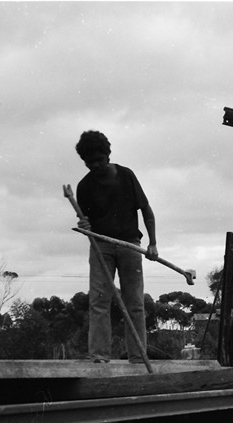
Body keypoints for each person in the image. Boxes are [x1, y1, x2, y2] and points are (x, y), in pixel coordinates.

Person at [74, 130, 158, 362]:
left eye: (99, 160)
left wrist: (153, 243)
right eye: (90, 162)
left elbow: (146, 210)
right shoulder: (84, 187)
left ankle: (138, 357)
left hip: (130, 245)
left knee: (135, 303)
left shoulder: (126, 176)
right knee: (99, 301)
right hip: (102, 246)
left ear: (108, 155)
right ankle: (99, 356)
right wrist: (84, 224)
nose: (96, 165)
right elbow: (87, 224)